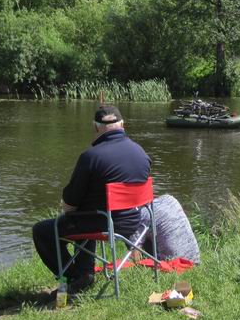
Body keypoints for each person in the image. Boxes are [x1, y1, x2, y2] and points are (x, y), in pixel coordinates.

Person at [32, 104, 151, 293]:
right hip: (134, 223)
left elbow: (70, 205)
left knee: (42, 230)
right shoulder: (141, 153)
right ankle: (84, 272)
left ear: (96, 127)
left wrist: (69, 206)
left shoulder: (90, 157)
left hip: (104, 224)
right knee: (87, 214)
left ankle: (76, 276)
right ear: (123, 125)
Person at [131, 194, 200, 264]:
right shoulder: (170, 199)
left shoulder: (141, 215)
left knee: (138, 237)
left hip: (173, 264)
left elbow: (135, 251)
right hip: (195, 260)